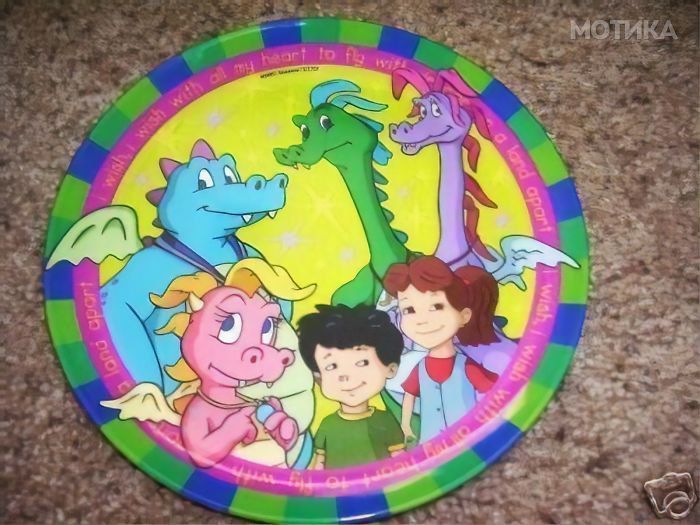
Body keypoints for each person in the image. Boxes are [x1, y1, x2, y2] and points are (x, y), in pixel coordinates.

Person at [383, 256, 500, 443]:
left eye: (436, 306)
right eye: (409, 310)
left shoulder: (467, 367)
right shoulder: (420, 369)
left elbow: (495, 395)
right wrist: (405, 426)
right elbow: (409, 396)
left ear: (464, 316)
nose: (421, 320)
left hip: (469, 439)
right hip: (430, 441)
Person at [297, 304, 405, 469]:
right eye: (332, 366)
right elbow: (320, 462)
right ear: (319, 378)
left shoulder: (385, 421)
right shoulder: (328, 425)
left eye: (362, 363)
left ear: (390, 368)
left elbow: (399, 457)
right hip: (335, 483)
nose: (346, 376)